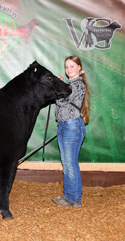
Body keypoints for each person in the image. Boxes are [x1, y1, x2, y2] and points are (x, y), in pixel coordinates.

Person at [51, 55, 90, 208]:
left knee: (70, 164)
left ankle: (74, 199)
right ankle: (68, 196)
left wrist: (58, 86)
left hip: (72, 126)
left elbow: (62, 103)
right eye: (66, 67)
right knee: (67, 164)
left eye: (72, 66)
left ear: (79, 67)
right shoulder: (69, 84)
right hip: (64, 126)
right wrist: (61, 85)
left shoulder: (78, 84)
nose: (68, 70)